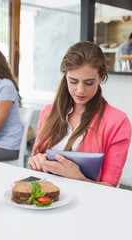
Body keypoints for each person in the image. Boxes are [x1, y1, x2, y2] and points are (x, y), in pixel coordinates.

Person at [28, 41, 131, 187]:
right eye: (73, 81)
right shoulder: (48, 112)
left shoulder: (118, 122)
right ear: (65, 76)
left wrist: (78, 178)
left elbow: (110, 187)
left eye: (89, 82)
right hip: (45, 198)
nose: (80, 90)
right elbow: (35, 161)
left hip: (87, 203)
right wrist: (35, 162)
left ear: (102, 78)